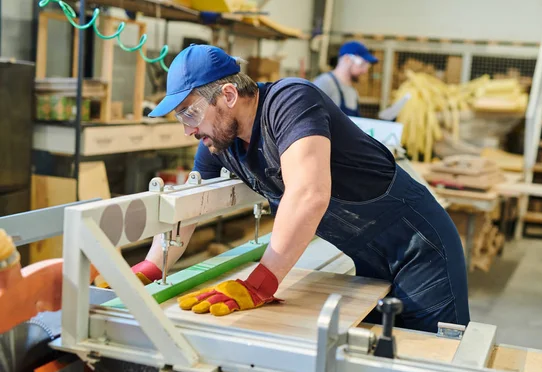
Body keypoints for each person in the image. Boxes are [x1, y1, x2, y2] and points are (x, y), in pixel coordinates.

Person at [132, 44, 469, 333]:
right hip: (367, 257)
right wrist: (148, 269)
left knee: (435, 358)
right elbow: (192, 206)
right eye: (182, 118)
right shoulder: (220, 142)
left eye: (190, 113)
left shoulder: (290, 101)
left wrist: (260, 283)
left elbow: (308, 195)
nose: (188, 130)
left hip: (419, 248)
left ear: (229, 95)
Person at [312, 41, 378, 117]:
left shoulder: (353, 91)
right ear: (347, 59)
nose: (365, 71)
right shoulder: (325, 83)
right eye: (362, 64)